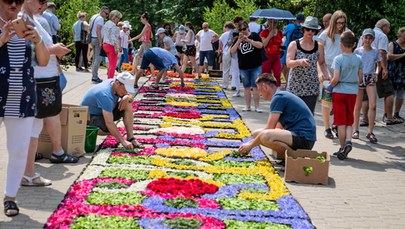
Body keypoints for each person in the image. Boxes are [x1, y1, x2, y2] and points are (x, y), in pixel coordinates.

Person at [0, 0, 49, 216]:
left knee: (19, 150)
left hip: (22, 95)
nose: (14, 4)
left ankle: (10, 197)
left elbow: (44, 61)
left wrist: (38, 41)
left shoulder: (29, 25)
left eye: (19, 0)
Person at [22, 0, 77, 189]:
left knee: (34, 128)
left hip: (44, 80)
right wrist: (53, 50)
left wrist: (53, 53)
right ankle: (27, 173)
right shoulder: (23, 19)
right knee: (31, 128)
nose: (44, 5)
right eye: (41, 1)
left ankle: (28, 172)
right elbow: (26, 54)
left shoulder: (34, 19)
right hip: (37, 81)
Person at [238, 73, 316, 155]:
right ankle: (286, 155)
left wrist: (250, 145)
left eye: (259, 90)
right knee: (256, 134)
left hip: (304, 138)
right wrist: (251, 142)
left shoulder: (278, 98)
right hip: (300, 137)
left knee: (265, 136)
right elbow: (277, 128)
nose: (260, 94)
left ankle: (294, 157)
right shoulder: (280, 95)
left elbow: (269, 129)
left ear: (265, 87)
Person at [81, 72, 142, 150]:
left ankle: (130, 138)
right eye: (125, 89)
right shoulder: (105, 95)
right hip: (90, 118)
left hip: (103, 112)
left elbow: (130, 96)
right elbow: (109, 122)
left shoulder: (113, 82)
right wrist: (123, 141)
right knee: (111, 129)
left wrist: (127, 96)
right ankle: (88, 130)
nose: (126, 92)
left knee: (128, 104)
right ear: (117, 83)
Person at [329, 31, 363, 160]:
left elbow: (336, 78)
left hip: (339, 91)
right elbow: (360, 79)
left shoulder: (338, 59)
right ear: (354, 44)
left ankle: (342, 148)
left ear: (341, 44)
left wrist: (329, 86)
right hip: (352, 92)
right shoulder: (359, 59)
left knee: (340, 122)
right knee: (349, 121)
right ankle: (349, 141)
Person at [286, 16, 328, 114]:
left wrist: (325, 74)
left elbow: (322, 63)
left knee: (308, 116)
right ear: (303, 29)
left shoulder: (319, 46)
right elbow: (288, 63)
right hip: (295, 87)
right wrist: (299, 62)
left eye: (313, 30)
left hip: (312, 87)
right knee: (293, 115)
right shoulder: (294, 44)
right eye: (308, 29)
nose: (310, 32)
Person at [318, 10, 349, 139]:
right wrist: (323, 73)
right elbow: (320, 59)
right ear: (333, 22)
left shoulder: (347, 34)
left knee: (340, 100)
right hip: (328, 70)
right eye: (338, 23)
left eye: (343, 23)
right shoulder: (324, 35)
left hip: (342, 70)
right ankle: (327, 127)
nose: (340, 26)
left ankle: (337, 124)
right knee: (327, 100)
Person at [352, 29, 381, 143]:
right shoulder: (357, 51)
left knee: (373, 105)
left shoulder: (375, 51)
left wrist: (377, 73)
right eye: (366, 38)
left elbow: (379, 64)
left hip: (370, 77)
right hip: (360, 77)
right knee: (357, 105)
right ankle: (356, 129)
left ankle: (370, 132)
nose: (368, 40)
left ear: (373, 39)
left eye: (370, 38)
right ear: (362, 38)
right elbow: (353, 65)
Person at [231, 21, 263, 113]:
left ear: (247, 28)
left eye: (244, 29)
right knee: (246, 87)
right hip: (243, 66)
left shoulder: (254, 35)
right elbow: (232, 51)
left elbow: (260, 45)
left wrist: (249, 40)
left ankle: (257, 106)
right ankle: (247, 106)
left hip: (255, 65)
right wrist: (238, 41)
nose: (242, 31)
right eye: (240, 30)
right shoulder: (237, 39)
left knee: (255, 86)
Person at [281, 14, 305, 88]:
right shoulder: (305, 27)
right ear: (303, 20)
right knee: (292, 68)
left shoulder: (290, 26)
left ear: (296, 19)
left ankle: (287, 85)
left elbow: (283, 34)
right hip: (299, 49)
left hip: (287, 48)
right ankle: (289, 84)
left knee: (283, 67)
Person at [388, 27, 405, 122]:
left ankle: (397, 113)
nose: (404, 39)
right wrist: (402, 55)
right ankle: (388, 114)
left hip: (403, 74)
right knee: (391, 94)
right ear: (399, 36)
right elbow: (390, 56)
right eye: (404, 37)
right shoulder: (392, 44)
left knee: (401, 95)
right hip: (393, 72)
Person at [260, 18, 283, 87]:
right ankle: (264, 89)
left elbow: (280, 43)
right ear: (268, 22)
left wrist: (281, 47)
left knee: (277, 73)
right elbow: (263, 45)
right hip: (267, 56)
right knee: (265, 74)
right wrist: (270, 36)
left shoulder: (279, 32)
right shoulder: (264, 32)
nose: (273, 24)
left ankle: (277, 89)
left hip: (277, 56)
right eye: (271, 22)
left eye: (275, 22)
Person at [89, 6, 109, 83]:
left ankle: (94, 75)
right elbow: (98, 31)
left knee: (94, 58)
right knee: (98, 58)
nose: (107, 15)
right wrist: (101, 42)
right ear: (102, 11)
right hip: (97, 39)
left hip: (92, 38)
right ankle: (94, 76)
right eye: (106, 13)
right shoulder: (100, 19)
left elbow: (90, 27)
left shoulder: (94, 16)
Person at [102, 10, 122, 79]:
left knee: (110, 64)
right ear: (114, 17)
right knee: (113, 65)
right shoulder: (113, 25)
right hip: (111, 46)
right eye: (118, 18)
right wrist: (116, 47)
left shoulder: (106, 23)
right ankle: (109, 80)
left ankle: (109, 78)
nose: (118, 20)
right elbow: (113, 37)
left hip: (105, 44)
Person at [218, 21, 235, 90]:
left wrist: (220, 50)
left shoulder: (223, 34)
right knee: (234, 69)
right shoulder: (235, 33)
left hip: (225, 52)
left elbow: (220, 45)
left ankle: (225, 85)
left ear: (227, 27)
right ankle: (234, 84)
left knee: (225, 69)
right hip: (234, 52)